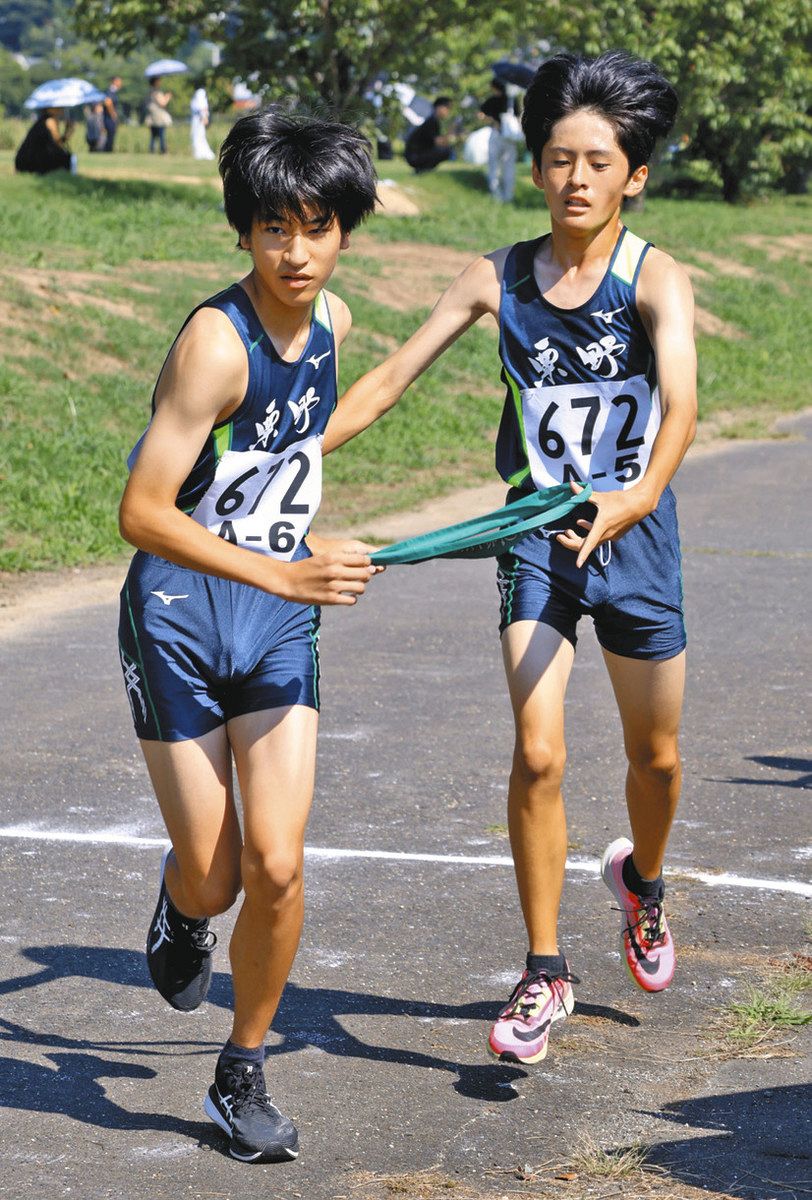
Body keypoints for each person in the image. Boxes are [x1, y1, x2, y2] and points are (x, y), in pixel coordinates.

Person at [324, 50, 695, 1064]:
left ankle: (642, 888)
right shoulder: (493, 277)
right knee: (536, 750)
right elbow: (390, 378)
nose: (576, 177)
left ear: (633, 175)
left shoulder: (651, 276)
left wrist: (638, 496)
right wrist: (294, 451)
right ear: (534, 169)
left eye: (597, 161)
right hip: (534, 535)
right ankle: (542, 971)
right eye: (557, 158)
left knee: (652, 761)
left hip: (635, 537)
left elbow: (683, 401)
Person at [117, 108, 380, 1161]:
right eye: (275, 227)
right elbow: (142, 512)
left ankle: (242, 1067)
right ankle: (183, 917)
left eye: (317, 226)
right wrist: (285, 565)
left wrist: (299, 558)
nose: (296, 250)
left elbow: (299, 440)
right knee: (217, 877)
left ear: (343, 231)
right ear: (244, 232)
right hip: (178, 619)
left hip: (274, 623)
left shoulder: (334, 325)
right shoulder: (212, 344)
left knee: (276, 863)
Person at [478, 78, 519, 203]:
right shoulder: (512, 100)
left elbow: (480, 115)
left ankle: (496, 195)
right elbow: (518, 117)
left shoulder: (492, 100)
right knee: (509, 167)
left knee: (493, 165)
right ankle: (508, 196)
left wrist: (491, 120)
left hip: (496, 134)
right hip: (511, 138)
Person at [15, 107, 75, 175]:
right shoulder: (50, 121)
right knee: (66, 157)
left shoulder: (43, 120)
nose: (61, 108)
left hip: (25, 159)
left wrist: (67, 132)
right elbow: (58, 143)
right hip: (30, 161)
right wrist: (68, 131)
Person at [404, 96, 454, 172]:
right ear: (439, 107)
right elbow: (439, 143)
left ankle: (424, 170)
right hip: (415, 156)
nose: (448, 111)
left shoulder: (433, 120)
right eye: (447, 108)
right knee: (445, 151)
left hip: (416, 154)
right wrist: (449, 134)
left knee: (445, 150)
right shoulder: (432, 121)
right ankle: (423, 169)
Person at [145, 76, 172, 154]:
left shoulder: (150, 91)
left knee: (153, 135)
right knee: (161, 134)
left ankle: (152, 150)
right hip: (158, 117)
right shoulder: (156, 92)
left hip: (152, 117)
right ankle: (163, 150)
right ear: (155, 82)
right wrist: (168, 96)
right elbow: (163, 103)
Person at [190, 82, 216, 160]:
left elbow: (202, 106)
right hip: (198, 117)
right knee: (198, 136)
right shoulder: (200, 92)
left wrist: (204, 117)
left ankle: (200, 154)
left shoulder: (200, 92)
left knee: (198, 136)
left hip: (199, 118)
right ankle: (200, 153)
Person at [102, 76, 122, 152]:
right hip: (109, 117)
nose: (121, 84)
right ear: (115, 81)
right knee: (110, 136)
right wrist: (113, 114)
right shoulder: (111, 91)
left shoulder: (112, 91)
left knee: (111, 135)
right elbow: (108, 102)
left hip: (109, 117)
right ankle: (108, 151)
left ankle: (108, 150)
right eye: (119, 82)